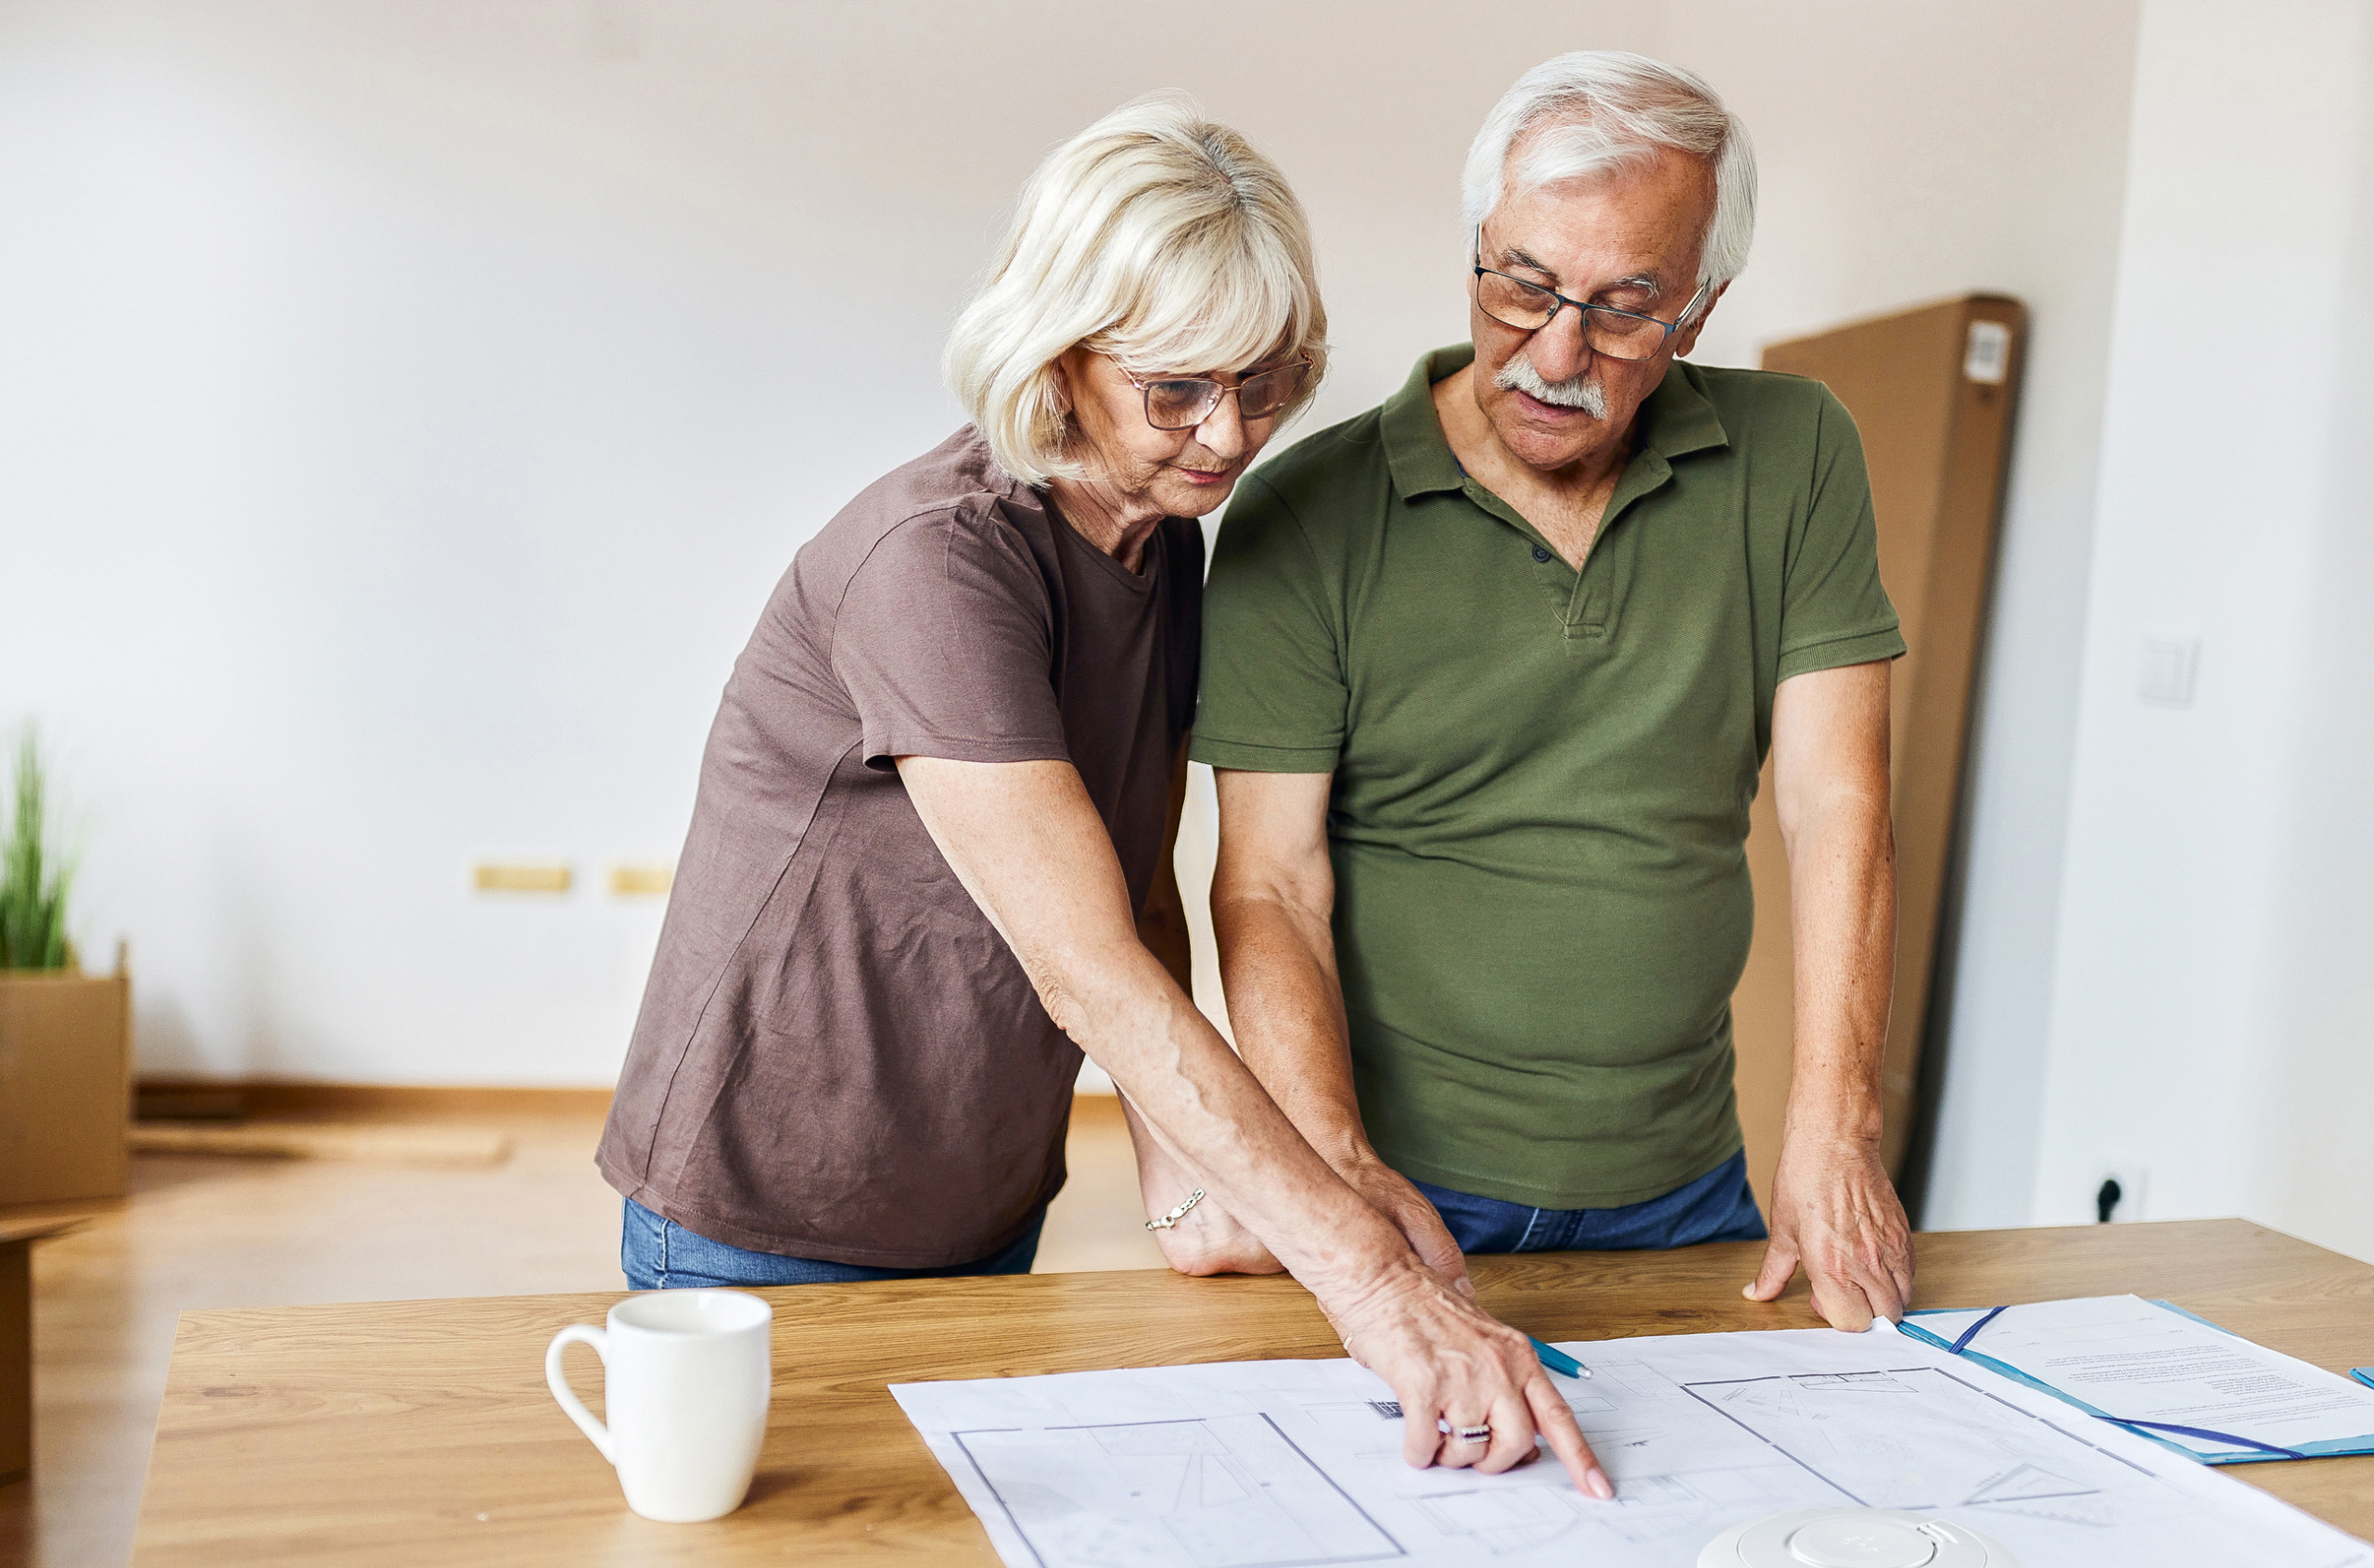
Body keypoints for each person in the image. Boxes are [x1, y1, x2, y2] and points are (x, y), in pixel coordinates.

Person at [596, 95, 1610, 1494]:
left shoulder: (1160, 550)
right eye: (1177, 389)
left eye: (1263, 385)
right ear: (1059, 355)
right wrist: (1370, 1282)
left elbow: (1135, 891)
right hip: (770, 1190)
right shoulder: (936, 562)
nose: (1228, 436)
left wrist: (1182, 1185)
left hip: (979, 1177)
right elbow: (1089, 977)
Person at [1192, 52, 1917, 1332]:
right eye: (1522, 287)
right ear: (1478, 245)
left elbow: (1836, 799)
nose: (1557, 353)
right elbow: (1267, 883)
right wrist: (1334, 1171)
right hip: (1406, 1189)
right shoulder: (1303, 514)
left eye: (1628, 307)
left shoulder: (1798, 453)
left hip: (1689, 1185)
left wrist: (1836, 1122)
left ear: (1701, 306)